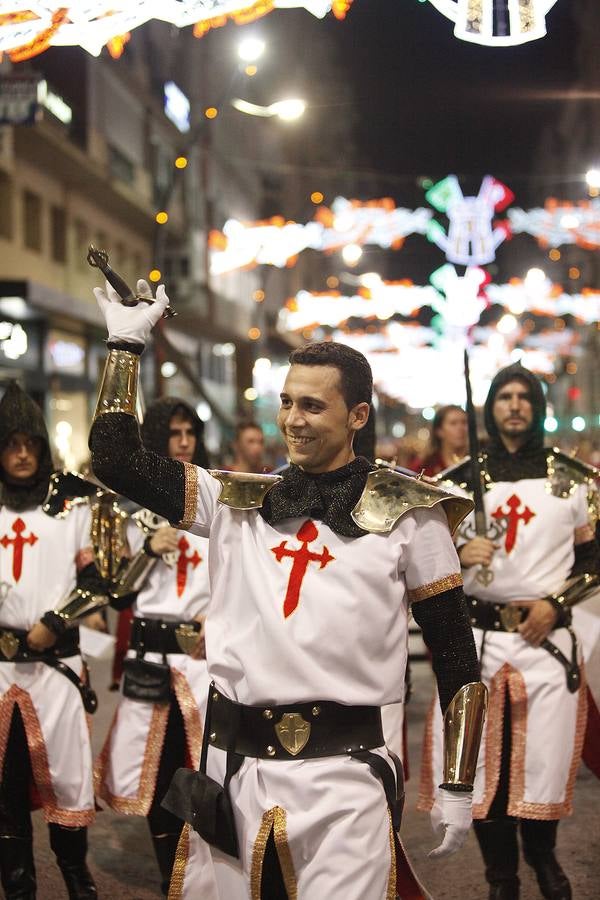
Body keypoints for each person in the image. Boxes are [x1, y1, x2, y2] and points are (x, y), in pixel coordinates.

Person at [88, 280, 487, 900]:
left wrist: (460, 785)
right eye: (287, 403)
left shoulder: (412, 514)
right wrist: (123, 344)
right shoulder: (234, 499)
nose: (293, 421)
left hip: (347, 775)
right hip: (232, 766)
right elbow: (113, 461)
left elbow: (457, 656)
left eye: (312, 406)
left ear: (358, 416)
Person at [419, 363, 600, 900]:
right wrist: (453, 551)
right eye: (504, 397)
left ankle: (543, 858)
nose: (515, 405)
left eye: (525, 397)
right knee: (477, 763)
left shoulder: (574, 479)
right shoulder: (453, 486)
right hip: (477, 642)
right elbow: (416, 566)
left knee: (541, 760)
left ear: (538, 407)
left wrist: (556, 603)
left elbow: (593, 559)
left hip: (547, 644)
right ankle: (501, 879)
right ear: (490, 408)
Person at [94, 397, 212, 895]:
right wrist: (146, 548)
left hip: (203, 661)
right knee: (158, 772)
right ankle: (171, 875)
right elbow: (114, 590)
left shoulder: (215, 499)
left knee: (206, 770)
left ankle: (208, 871)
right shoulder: (128, 509)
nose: (184, 442)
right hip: (151, 658)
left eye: (191, 433)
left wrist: (222, 619)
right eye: (175, 433)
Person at [0, 382, 106, 900]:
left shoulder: (70, 502)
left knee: (67, 783)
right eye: (10, 444)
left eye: (30, 444)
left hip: (56, 672)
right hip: (0, 674)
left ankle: (79, 886)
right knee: (5, 791)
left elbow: (98, 581)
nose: (21, 455)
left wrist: (58, 620)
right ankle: (17, 891)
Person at [410, 405, 468, 477]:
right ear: (439, 431)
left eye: (464, 422)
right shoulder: (425, 466)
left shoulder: (477, 463)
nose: (460, 428)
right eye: (453, 423)